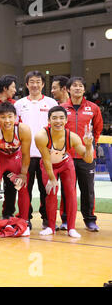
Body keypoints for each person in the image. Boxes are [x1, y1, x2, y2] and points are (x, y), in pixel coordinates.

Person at [35, 106, 94, 238]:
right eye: (54, 118)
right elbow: (46, 159)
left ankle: (71, 228)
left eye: (62, 118)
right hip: (48, 165)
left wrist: (89, 145)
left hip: (66, 164)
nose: (58, 121)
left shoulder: (72, 137)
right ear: (48, 120)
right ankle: (50, 227)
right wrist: (52, 178)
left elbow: (88, 159)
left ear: (66, 120)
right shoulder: (41, 136)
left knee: (71, 194)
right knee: (51, 193)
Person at [14, 71, 58, 229]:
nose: (34, 85)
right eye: (31, 82)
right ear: (26, 85)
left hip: (45, 155)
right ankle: (25, 218)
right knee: (24, 189)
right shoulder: (18, 105)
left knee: (45, 190)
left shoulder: (52, 103)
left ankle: (47, 219)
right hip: (25, 155)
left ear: (43, 84)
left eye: (38, 82)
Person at [61, 77, 103, 231]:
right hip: (67, 156)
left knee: (88, 189)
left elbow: (98, 128)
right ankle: (65, 220)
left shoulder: (93, 108)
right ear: (68, 90)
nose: (77, 88)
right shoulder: (62, 108)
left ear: (84, 90)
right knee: (67, 189)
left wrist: (91, 146)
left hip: (86, 156)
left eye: (80, 86)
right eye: (74, 86)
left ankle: (90, 220)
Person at [0, 102, 32, 236]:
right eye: (3, 117)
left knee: (22, 186)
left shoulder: (23, 129)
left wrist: (23, 174)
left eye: (10, 117)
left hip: (16, 158)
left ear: (16, 117)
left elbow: (25, 154)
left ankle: (24, 221)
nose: (7, 120)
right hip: (0, 158)